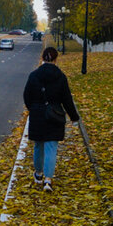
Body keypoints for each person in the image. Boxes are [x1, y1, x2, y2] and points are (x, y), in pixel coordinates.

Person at [22, 46, 80, 192]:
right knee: (51, 148)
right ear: (55, 59)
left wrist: (33, 109)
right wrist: (74, 117)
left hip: (37, 115)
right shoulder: (60, 77)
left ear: (42, 58)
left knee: (38, 145)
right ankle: (48, 180)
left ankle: (38, 174)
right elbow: (67, 99)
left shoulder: (34, 75)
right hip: (55, 115)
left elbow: (26, 96)